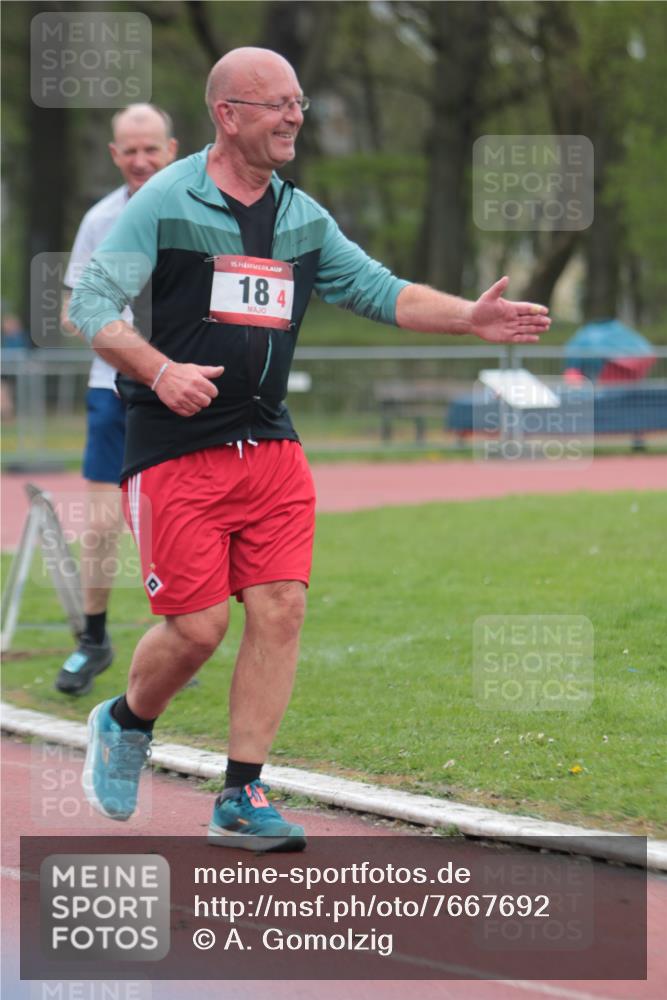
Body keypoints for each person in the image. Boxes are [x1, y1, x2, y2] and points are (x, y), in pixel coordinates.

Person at [70, 47, 550, 852]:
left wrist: (468, 316)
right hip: (177, 447)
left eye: (298, 101)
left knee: (281, 608)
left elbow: (378, 290)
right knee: (196, 631)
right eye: (277, 103)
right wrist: (159, 369)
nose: (295, 116)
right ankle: (124, 721)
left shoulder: (301, 218)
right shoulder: (165, 199)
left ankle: (240, 794)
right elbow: (90, 303)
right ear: (227, 115)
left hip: (270, 445)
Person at [55, 104, 178, 696]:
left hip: (181, 389)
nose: (141, 160)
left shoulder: (199, 211)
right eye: (130, 150)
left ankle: (177, 643)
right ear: (114, 154)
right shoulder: (100, 220)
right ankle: (93, 640)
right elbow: (70, 311)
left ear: (172, 149)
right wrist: (126, 342)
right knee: (103, 524)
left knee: (175, 522)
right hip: (114, 388)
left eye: (151, 148)